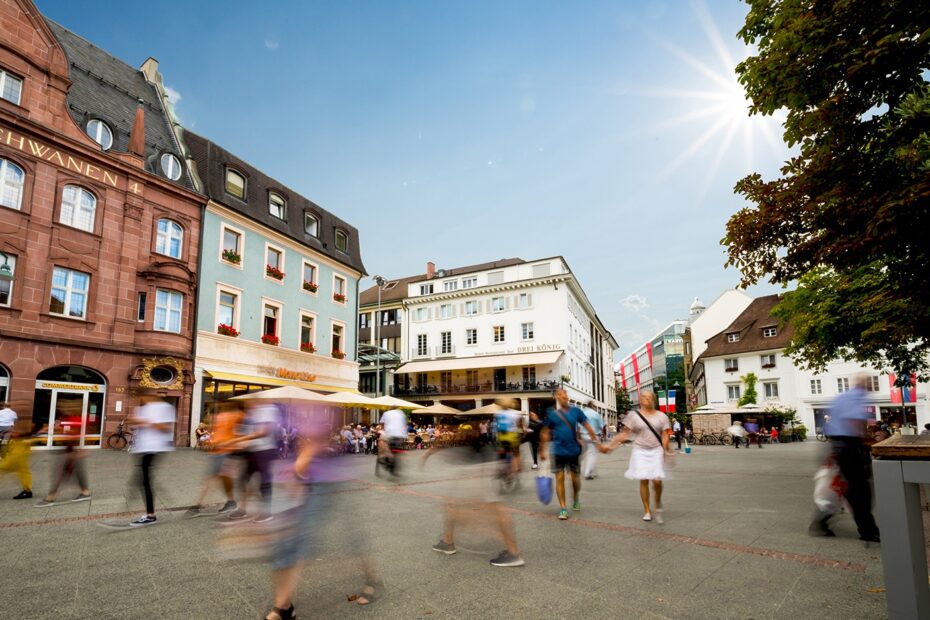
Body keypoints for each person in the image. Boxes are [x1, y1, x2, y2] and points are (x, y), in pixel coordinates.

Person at [426, 427, 525, 567]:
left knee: (491, 509)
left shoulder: (494, 422)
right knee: (455, 504)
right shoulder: (496, 421)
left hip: (475, 465)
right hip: (485, 460)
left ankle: (513, 552)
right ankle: (447, 541)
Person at [809, 375, 881, 542]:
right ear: (864, 384)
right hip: (849, 446)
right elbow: (853, 420)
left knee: (843, 486)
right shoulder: (856, 397)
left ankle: (822, 521)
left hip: (838, 444)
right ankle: (867, 530)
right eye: (870, 382)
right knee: (858, 490)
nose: (871, 385)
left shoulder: (842, 396)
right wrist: (863, 441)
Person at [605, 392, 671, 523]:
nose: (647, 399)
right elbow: (625, 434)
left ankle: (657, 504)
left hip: (656, 449)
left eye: (650, 397)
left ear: (654, 400)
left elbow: (665, 434)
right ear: (640, 400)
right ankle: (647, 510)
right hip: (640, 450)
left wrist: (665, 449)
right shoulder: (634, 416)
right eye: (644, 397)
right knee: (644, 479)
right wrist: (611, 446)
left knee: (657, 480)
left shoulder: (661, 416)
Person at [540, 389, 603, 520]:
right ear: (557, 398)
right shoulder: (553, 415)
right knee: (560, 478)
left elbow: (588, 426)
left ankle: (576, 498)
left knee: (575, 479)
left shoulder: (576, 411)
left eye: (565, 396)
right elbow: (545, 432)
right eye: (561, 396)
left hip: (573, 450)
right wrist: (542, 450)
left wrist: (595, 441)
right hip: (558, 451)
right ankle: (563, 508)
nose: (564, 398)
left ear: (567, 397)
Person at [122, 394, 175, 526]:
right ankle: (151, 512)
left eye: (143, 397)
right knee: (142, 480)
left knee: (143, 480)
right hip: (142, 448)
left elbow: (166, 428)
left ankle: (151, 515)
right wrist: (134, 421)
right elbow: (134, 425)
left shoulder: (165, 407)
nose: (141, 400)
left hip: (155, 448)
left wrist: (147, 422)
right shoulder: (141, 409)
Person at [225, 401, 279, 523]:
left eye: (250, 402)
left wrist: (240, 439)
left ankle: (266, 513)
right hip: (253, 452)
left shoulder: (268, 408)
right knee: (243, 480)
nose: (248, 405)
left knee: (264, 483)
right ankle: (242, 509)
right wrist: (240, 441)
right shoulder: (253, 413)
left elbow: (264, 432)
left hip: (265, 451)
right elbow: (248, 431)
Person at [184, 402, 241, 518]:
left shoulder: (229, 417)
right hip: (219, 453)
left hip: (224, 452)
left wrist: (229, 442)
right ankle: (231, 502)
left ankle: (197, 507)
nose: (206, 418)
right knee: (220, 479)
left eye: (208, 415)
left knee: (209, 479)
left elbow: (239, 428)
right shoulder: (219, 420)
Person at [34, 400, 91, 507]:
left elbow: (75, 433)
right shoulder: (68, 418)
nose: (64, 409)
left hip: (73, 451)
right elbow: (62, 428)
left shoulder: (77, 419)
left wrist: (57, 430)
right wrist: (50, 428)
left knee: (59, 474)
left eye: (66, 407)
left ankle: (50, 498)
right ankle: (85, 492)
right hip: (69, 450)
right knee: (74, 473)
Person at [0, 402, 35, 500]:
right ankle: (27, 491)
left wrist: (17, 434)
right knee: (23, 470)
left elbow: (26, 432)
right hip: (21, 445)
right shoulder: (16, 417)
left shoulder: (24, 420)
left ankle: (27, 491)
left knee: (3, 467)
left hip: (21, 446)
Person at [494, 398, 524, 475]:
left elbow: (496, 426)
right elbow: (520, 426)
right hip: (512, 436)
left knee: (505, 450)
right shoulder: (515, 414)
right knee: (516, 452)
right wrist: (522, 432)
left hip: (501, 437)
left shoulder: (498, 413)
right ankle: (517, 467)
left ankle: (503, 466)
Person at [378, 407, 407, 476]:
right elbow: (404, 424)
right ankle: (392, 465)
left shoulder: (386, 413)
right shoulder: (401, 413)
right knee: (396, 451)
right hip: (400, 435)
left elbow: (381, 423)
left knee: (384, 445)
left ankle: (385, 458)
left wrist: (384, 429)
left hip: (390, 434)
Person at [581, 400, 604, 480]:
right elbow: (601, 426)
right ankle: (588, 473)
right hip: (593, 436)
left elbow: (577, 424)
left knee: (583, 453)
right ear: (593, 406)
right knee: (592, 454)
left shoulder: (582, 413)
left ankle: (592, 470)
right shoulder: (596, 414)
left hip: (583, 435)